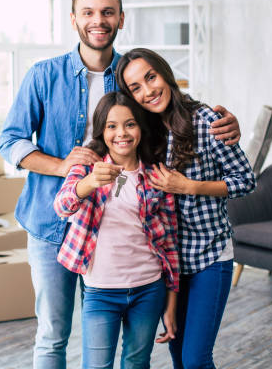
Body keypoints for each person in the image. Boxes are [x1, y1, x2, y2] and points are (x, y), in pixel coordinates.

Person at [0, 0, 241, 369]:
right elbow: (10, 141)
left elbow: (169, 115)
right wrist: (65, 168)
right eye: (89, 12)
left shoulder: (131, 77)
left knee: (131, 350)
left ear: (121, 19)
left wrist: (224, 124)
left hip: (119, 229)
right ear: (73, 19)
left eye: (107, 12)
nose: (98, 20)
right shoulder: (43, 75)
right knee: (52, 336)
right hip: (51, 223)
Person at [116, 48, 256, 369]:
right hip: (170, 265)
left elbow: (245, 180)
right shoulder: (144, 134)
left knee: (195, 360)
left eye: (150, 77)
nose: (148, 91)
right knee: (178, 356)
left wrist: (189, 187)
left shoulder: (207, 120)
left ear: (165, 73)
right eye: (136, 87)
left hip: (210, 256)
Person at [54, 91, 179, 369]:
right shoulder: (86, 167)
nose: (121, 133)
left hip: (149, 288)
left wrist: (171, 302)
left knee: (137, 363)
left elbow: (170, 242)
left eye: (130, 124)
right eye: (112, 126)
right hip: (101, 291)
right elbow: (62, 206)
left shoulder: (157, 176)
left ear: (141, 128)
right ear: (102, 130)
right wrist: (88, 183)